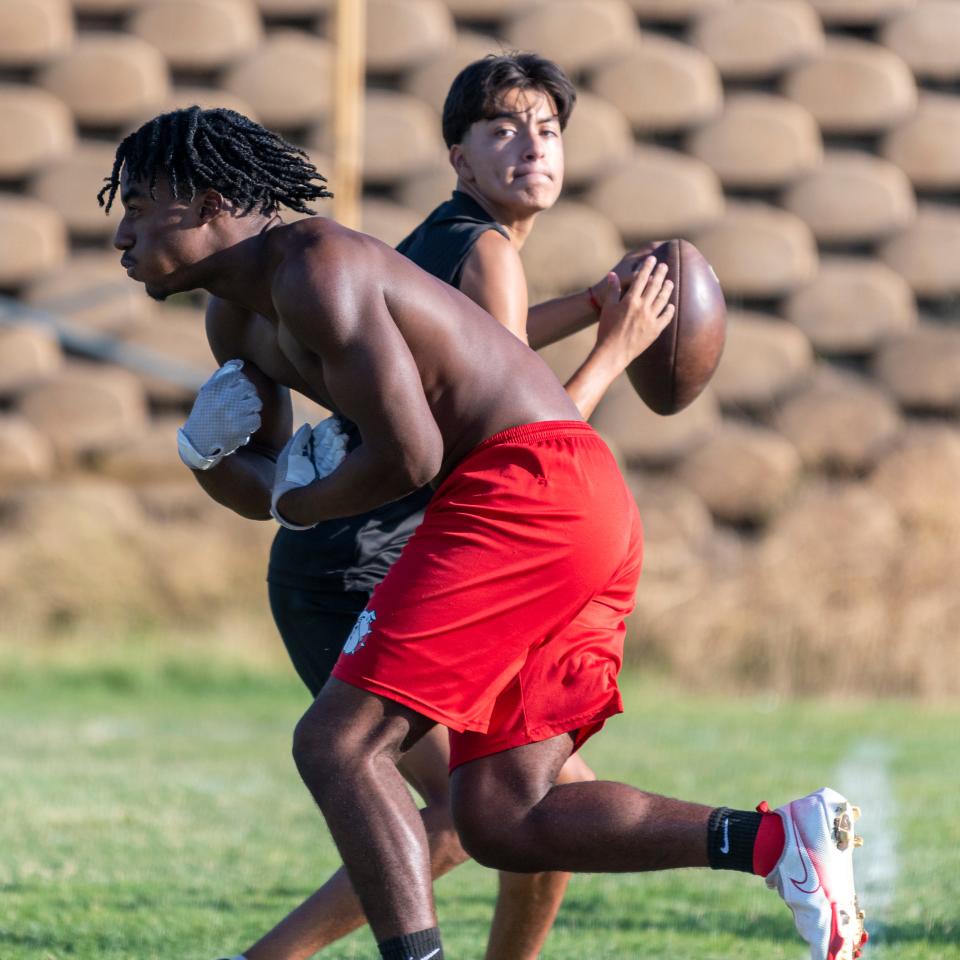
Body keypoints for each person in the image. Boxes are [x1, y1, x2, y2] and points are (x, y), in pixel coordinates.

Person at [101, 105, 865, 960]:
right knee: (505, 815)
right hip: (563, 500)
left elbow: (411, 455)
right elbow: (275, 494)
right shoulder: (232, 320)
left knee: (340, 746)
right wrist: (203, 455)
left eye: (135, 205)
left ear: (208, 203)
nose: (122, 235)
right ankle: (776, 841)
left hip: (525, 491)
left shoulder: (315, 267)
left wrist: (304, 500)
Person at [250, 52, 663, 960]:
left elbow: (489, 351)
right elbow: (522, 446)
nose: (532, 148)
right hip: (364, 564)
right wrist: (616, 345)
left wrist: (591, 303)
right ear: (459, 157)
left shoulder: (453, 240)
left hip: (360, 556)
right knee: (482, 812)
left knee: (538, 814)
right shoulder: (484, 250)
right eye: (503, 130)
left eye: (548, 131)